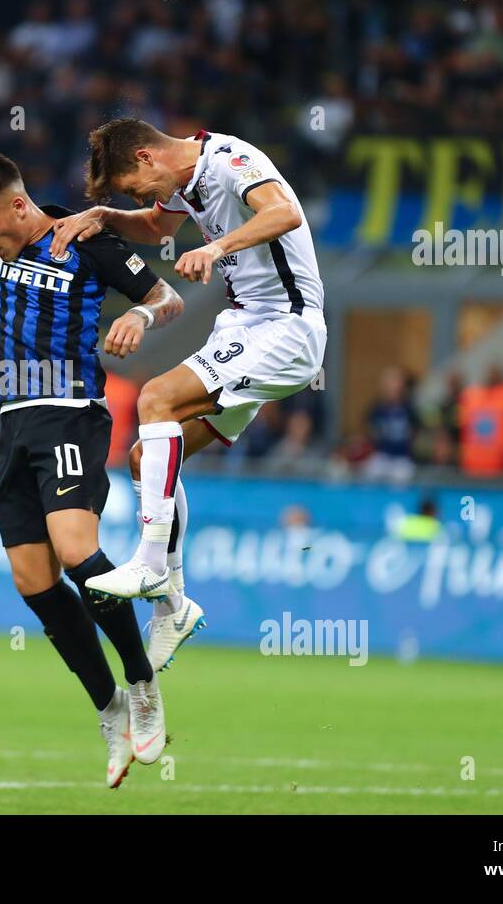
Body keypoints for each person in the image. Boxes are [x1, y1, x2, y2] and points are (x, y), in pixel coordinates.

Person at [0, 127, 184, 787]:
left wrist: (141, 318)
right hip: (14, 424)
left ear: (19, 207)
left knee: (79, 553)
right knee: (33, 582)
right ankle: (107, 707)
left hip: (72, 413)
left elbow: (169, 298)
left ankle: (141, 682)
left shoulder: (85, 242)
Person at [50, 119, 327, 672]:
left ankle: (151, 561)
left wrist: (218, 246)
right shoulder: (184, 181)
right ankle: (173, 605)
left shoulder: (229, 159)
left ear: (149, 157)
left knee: (156, 399)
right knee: (144, 454)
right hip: (244, 329)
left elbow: (284, 213)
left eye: (132, 186)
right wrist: (108, 217)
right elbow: (155, 228)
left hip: (286, 327)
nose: (139, 197)